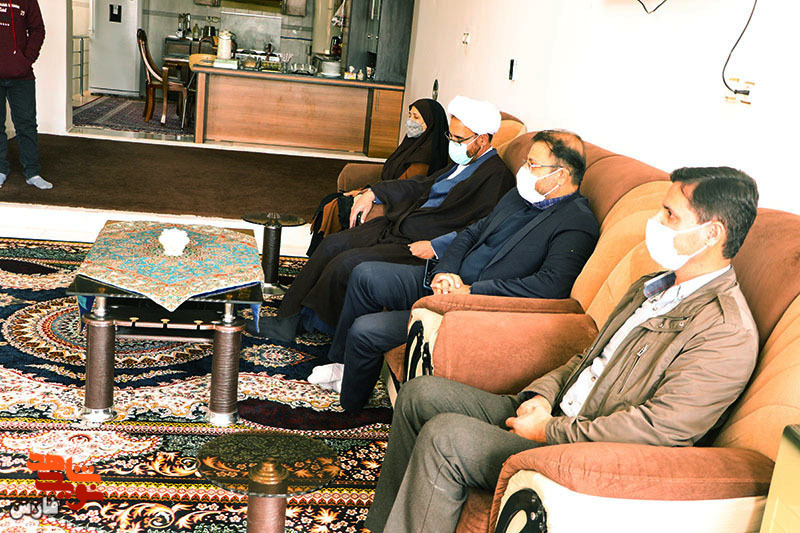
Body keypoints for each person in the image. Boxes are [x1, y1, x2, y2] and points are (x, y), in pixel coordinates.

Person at [364, 166, 760, 533]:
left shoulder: (725, 330)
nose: (656, 222)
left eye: (670, 215)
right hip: (555, 412)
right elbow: (587, 359)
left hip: (580, 448)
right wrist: (541, 395)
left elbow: (657, 430)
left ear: (712, 233)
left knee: (446, 437)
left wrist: (547, 430)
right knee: (420, 393)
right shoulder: (651, 286)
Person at [309, 130, 601, 410]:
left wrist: (470, 291)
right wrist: (444, 271)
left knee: (364, 331)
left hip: (474, 305)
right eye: (525, 161)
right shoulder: (518, 196)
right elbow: (470, 233)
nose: (524, 170)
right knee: (364, 275)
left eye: (533, 165)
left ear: (561, 175)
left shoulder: (576, 222)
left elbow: (549, 286)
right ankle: (342, 365)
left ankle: (350, 405)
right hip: (447, 279)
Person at [247, 95, 516, 342]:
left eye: (458, 139)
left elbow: (482, 228)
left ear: (482, 139)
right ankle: (287, 317)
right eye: (451, 136)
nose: (452, 144)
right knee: (333, 244)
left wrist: (437, 246)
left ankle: (308, 322)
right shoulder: (461, 162)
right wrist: (375, 192)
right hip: (399, 225)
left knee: (346, 262)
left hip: (420, 244)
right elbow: (420, 185)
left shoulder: (496, 177)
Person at [307, 98, 449, 255]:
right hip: (384, 192)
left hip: (397, 201)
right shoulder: (410, 144)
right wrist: (366, 190)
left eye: (416, 117)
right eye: (410, 115)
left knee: (337, 206)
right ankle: (316, 255)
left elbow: (404, 185)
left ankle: (323, 253)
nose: (410, 121)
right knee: (329, 199)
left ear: (430, 123)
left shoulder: (426, 155)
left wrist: (368, 193)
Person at [0, 0, 50, 190]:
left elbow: (37, 29)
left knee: (26, 124)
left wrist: (26, 60)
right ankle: (0, 170)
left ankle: (32, 172)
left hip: (21, 76)